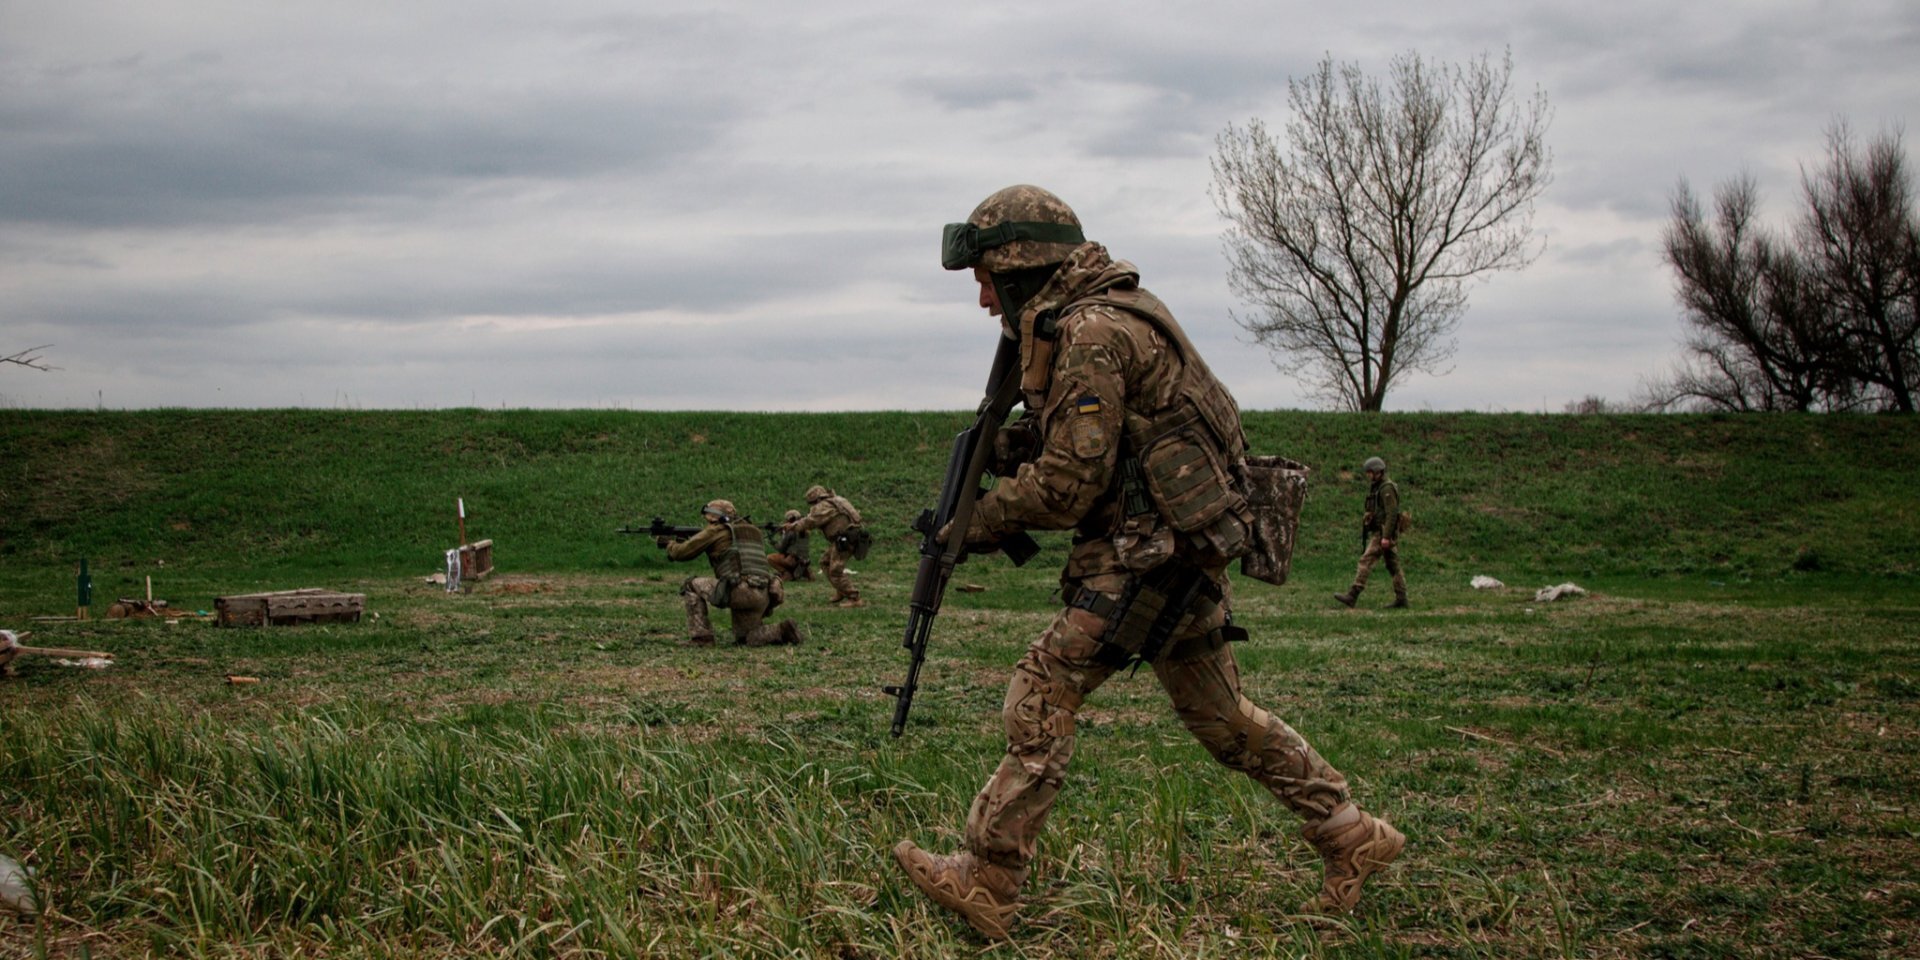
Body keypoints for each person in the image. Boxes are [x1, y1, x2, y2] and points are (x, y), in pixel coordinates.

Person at [891, 185, 1404, 939]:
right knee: (1222, 718)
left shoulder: (1093, 331)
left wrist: (974, 523)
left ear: (1022, 270)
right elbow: (1102, 443)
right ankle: (1351, 832)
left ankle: (991, 877)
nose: (981, 302)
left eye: (986, 282)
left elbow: (1070, 486)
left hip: (1149, 557)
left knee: (1044, 687)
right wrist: (1008, 452)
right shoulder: (1107, 315)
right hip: (1177, 548)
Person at [658, 499, 802, 646]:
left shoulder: (717, 530)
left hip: (739, 589)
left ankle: (702, 638)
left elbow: (682, 553)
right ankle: (781, 630)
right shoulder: (753, 531)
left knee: (690, 585)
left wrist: (669, 544)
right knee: (747, 638)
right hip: (764, 592)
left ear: (714, 516)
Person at [1333, 457, 1408, 609]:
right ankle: (1402, 599)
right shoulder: (1379, 486)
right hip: (1382, 532)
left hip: (1383, 533)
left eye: (1370, 472)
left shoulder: (1386, 488)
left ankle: (1353, 595)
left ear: (1378, 472)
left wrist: (1386, 536)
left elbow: (1392, 514)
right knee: (1393, 565)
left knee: (1366, 560)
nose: (1368, 476)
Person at [785, 486, 867, 607]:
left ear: (816, 499)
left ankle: (854, 598)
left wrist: (792, 527)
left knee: (835, 571)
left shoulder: (823, 506)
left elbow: (810, 522)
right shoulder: (836, 500)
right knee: (825, 562)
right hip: (848, 537)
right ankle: (841, 590)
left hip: (844, 540)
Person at [767, 509, 813, 582]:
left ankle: (786, 573)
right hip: (803, 560)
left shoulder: (791, 532)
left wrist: (773, 542)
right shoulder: (805, 531)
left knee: (770, 558)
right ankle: (804, 572)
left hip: (792, 560)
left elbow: (781, 549)